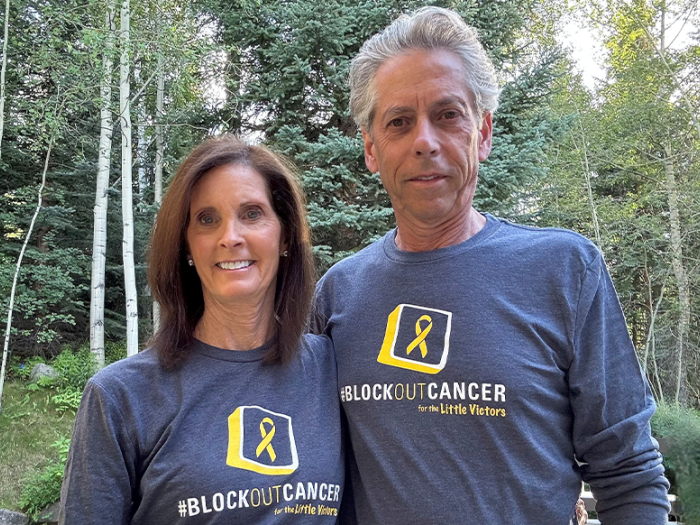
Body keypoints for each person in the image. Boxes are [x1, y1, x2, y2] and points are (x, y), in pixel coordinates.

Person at [313, 7, 669, 524]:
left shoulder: (565, 270)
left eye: (448, 115)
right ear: (371, 148)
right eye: (398, 122)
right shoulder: (337, 294)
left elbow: (629, 473)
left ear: (482, 132)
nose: (425, 141)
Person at [60, 136, 344, 524]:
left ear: (286, 236)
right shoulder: (120, 398)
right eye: (207, 219)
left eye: (252, 213)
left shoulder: (331, 368)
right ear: (187, 247)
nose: (230, 237)